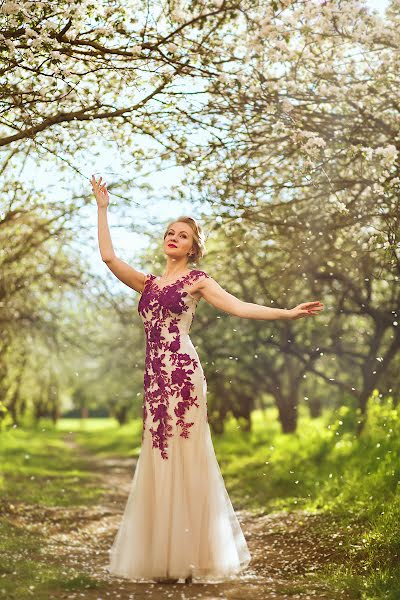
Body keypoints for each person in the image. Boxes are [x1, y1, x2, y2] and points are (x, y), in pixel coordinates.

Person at [91, 175, 324, 585]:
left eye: (182, 235)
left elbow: (238, 307)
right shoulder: (146, 283)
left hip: (182, 375)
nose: (173, 239)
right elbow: (109, 258)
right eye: (169, 233)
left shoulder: (197, 280)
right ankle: (163, 558)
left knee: (188, 455)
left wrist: (287, 313)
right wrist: (103, 207)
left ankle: (192, 557)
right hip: (154, 379)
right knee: (159, 456)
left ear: (193, 246)